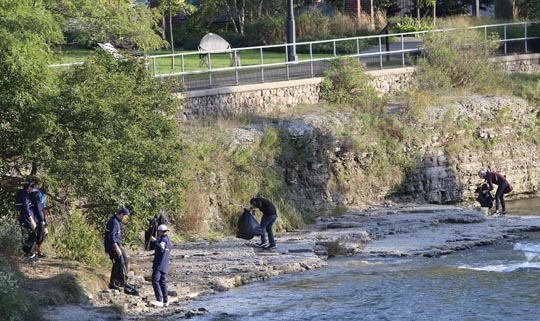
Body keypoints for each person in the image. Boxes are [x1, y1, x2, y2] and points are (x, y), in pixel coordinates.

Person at [104, 207, 130, 290]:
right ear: (121, 214)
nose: (125, 218)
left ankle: (122, 281)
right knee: (118, 263)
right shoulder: (114, 222)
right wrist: (117, 248)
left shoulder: (117, 221)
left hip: (117, 245)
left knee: (124, 261)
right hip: (112, 247)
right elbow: (111, 237)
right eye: (125, 216)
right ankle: (114, 282)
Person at [150, 224, 171, 308]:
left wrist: (154, 241)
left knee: (155, 280)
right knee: (162, 282)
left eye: (158, 231)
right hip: (165, 264)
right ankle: (166, 301)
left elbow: (161, 248)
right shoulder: (168, 241)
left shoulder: (163, 240)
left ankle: (159, 300)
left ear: (160, 231)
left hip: (159, 264)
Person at [16, 182, 37, 259]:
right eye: (31, 187)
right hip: (26, 219)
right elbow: (26, 209)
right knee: (31, 235)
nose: (32, 188)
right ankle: (27, 254)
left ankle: (27, 253)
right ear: (27, 187)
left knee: (28, 235)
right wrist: (32, 221)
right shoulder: (24, 196)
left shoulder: (24, 194)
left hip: (24, 219)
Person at [30, 182, 47, 257]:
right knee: (38, 233)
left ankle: (37, 249)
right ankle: (34, 251)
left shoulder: (43, 195)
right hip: (36, 217)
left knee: (45, 233)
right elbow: (37, 207)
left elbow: (43, 207)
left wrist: (45, 217)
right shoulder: (36, 194)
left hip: (42, 215)